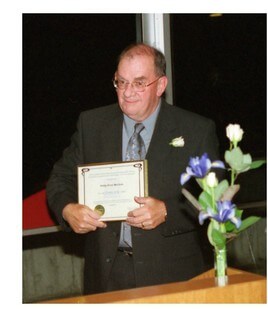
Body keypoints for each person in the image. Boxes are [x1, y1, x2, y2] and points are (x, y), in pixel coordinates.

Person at [46, 43, 218, 294]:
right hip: (106, 275)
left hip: (172, 275)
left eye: (139, 83)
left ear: (160, 85)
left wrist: (168, 211)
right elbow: (60, 179)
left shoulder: (195, 130)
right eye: (121, 82)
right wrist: (67, 209)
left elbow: (213, 199)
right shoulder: (92, 124)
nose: (127, 92)